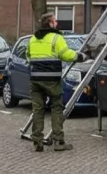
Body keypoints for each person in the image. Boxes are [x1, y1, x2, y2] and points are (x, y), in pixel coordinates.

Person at [26, 16, 79, 152]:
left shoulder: (33, 38)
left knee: (38, 110)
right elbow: (66, 54)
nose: (57, 23)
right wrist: (79, 56)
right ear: (50, 23)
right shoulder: (56, 38)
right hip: (52, 80)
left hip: (35, 79)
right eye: (55, 21)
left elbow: (28, 56)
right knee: (56, 108)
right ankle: (58, 142)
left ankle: (37, 142)